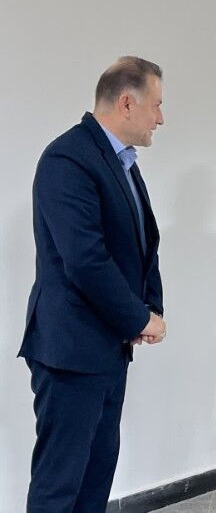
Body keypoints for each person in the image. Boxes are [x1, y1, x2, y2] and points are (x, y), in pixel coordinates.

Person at [18, 56, 167, 512]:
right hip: (71, 352)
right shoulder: (67, 158)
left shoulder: (124, 163)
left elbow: (141, 243)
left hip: (108, 348)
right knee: (60, 485)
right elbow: (86, 260)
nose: (161, 118)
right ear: (127, 103)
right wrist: (138, 317)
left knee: (95, 478)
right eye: (156, 105)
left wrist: (150, 308)